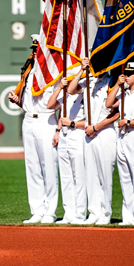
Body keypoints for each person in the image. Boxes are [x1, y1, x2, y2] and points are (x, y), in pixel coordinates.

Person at [8, 35, 60, 224]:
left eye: (37, 49)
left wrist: (58, 129)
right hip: (29, 119)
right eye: (33, 49)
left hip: (46, 120)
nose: (34, 52)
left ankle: (50, 212)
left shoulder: (53, 73)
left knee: (49, 167)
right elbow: (28, 103)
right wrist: (18, 101)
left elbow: (58, 102)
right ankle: (37, 210)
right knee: (32, 167)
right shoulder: (29, 72)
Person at [67, 59, 119, 225]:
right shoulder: (89, 81)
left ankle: (105, 213)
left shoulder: (111, 82)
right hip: (89, 134)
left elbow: (117, 112)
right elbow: (71, 89)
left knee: (104, 175)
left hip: (104, 132)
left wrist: (97, 127)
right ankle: (94, 213)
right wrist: (81, 70)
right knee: (91, 176)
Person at [105, 62, 134, 226]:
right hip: (123, 138)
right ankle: (128, 216)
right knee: (125, 179)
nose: (127, 76)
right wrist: (117, 85)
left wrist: (129, 121)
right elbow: (109, 104)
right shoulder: (124, 94)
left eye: (130, 73)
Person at [46, 76, 87, 224]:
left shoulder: (85, 96)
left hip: (77, 134)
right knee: (66, 177)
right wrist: (58, 88)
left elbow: (90, 120)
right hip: (64, 135)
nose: (69, 84)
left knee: (79, 176)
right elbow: (50, 105)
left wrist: (73, 123)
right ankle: (69, 213)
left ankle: (80, 213)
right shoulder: (65, 97)